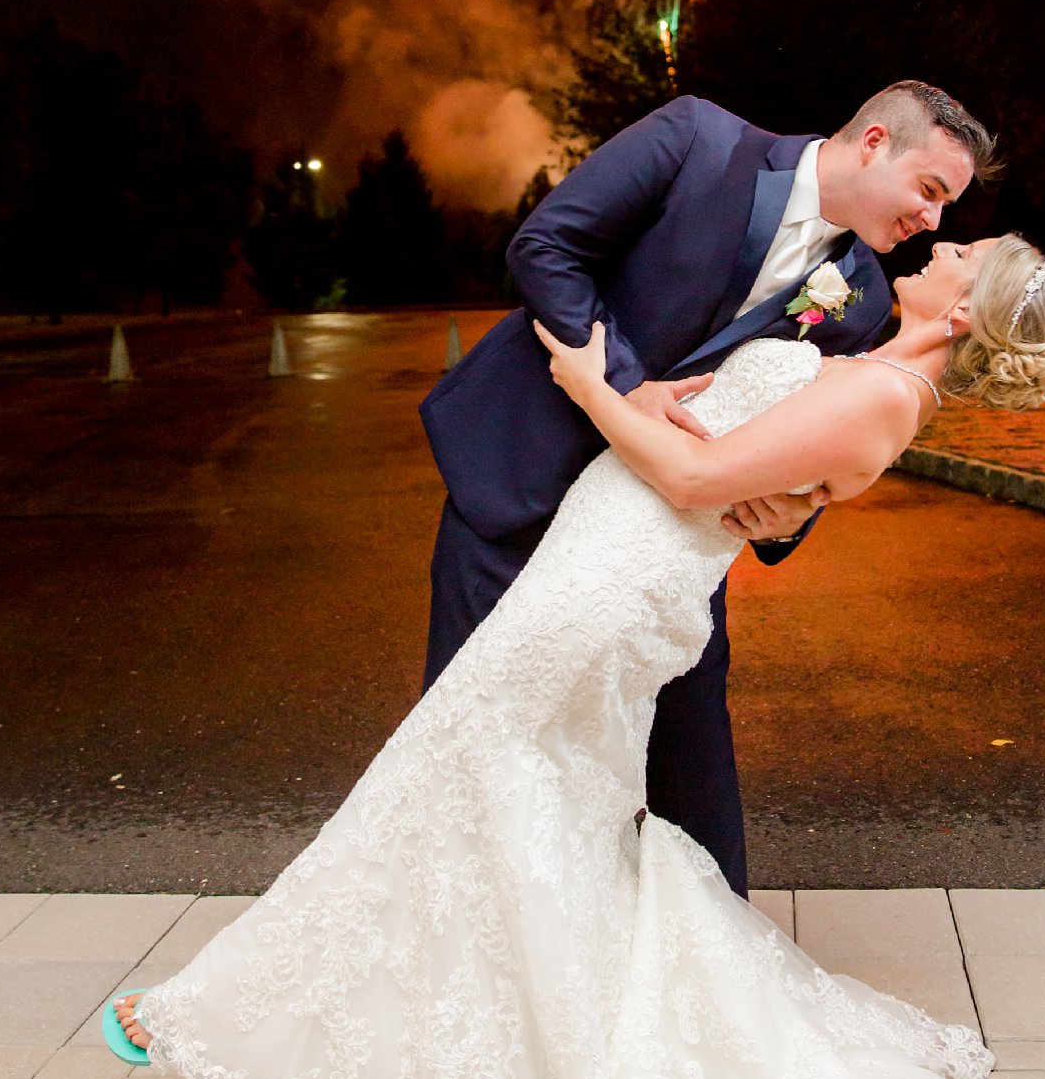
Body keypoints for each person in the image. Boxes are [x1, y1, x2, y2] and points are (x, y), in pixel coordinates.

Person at [110, 228, 1045, 1079]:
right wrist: (728, 447)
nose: (943, 242)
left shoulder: (885, 395)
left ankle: (205, 1008)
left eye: (965, 250)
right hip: (601, 566)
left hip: (611, 587)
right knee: (515, 800)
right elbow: (731, 446)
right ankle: (507, 1029)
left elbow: (689, 473)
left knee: (440, 770)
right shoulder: (878, 369)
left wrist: (587, 383)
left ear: (960, 313)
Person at [419, 80, 996, 897]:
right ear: (873, 142)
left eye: (947, 205)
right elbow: (545, 247)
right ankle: (465, 951)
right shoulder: (698, 140)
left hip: (664, 545)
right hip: (522, 483)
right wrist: (623, 385)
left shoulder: (863, 298)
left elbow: (804, 441)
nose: (933, 221)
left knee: (693, 772)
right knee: (473, 739)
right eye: (929, 190)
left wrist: (791, 516)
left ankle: (707, 982)